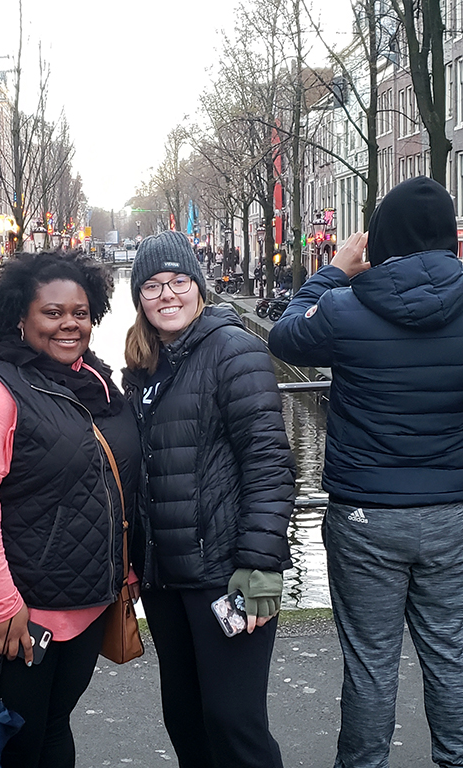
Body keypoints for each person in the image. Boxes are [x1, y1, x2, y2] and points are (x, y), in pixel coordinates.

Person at [268, 176, 463, 768]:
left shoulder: (347, 309)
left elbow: (285, 334)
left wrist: (334, 272)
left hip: (365, 513)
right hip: (451, 511)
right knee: (451, 649)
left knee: (371, 659)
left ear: (382, 240)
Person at [0, 249, 140, 768]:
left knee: (53, 729)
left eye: (80, 312)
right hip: (14, 611)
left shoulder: (94, 383)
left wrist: (123, 564)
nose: (69, 324)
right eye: (52, 313)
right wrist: (2, 604)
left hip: (83, 599)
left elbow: (106, 478)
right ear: (21, 317)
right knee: (17, 744)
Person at [122, 230, 295, 768]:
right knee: (185, 716)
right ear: (138, 298)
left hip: (223, 573)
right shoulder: (147, 365)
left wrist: (260, 564)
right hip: (167, 578)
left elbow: (268, 461)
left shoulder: (233, 349)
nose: (166, 294)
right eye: (151, 285)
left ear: (199, 287)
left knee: (233, 721)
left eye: (178, 281)